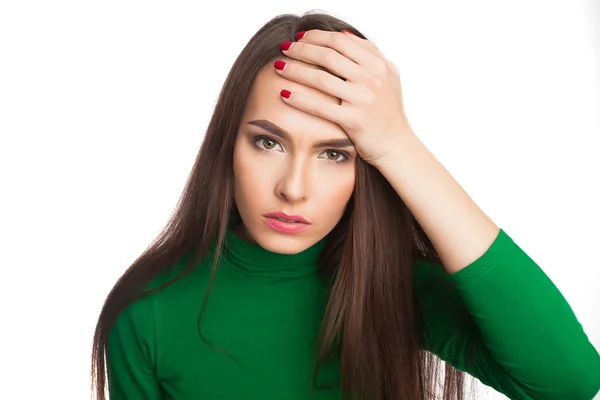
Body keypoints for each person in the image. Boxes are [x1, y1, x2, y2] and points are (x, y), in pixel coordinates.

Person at [90, 11, 600, 400]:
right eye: (268, 142)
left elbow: (569, 382)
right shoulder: (147, 311)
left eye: (334, 153)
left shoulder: (393, 288)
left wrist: (399, 145)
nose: (294, 188)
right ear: (228, 145)